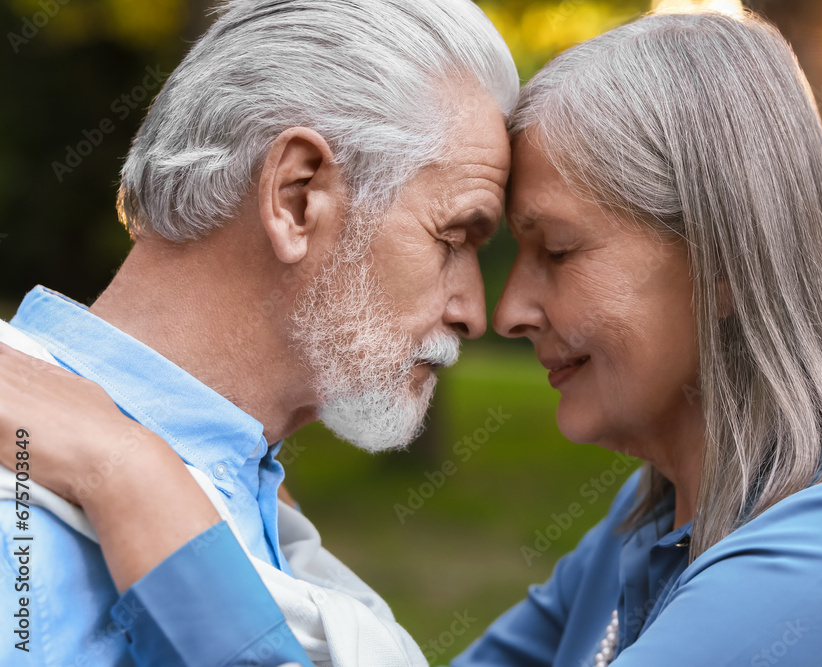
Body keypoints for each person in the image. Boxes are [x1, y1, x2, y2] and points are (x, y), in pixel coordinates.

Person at [2, 6, 822, 666]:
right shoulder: (641, 541)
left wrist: (129, 470)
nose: (497, 312)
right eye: (460, 238)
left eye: (552, 250)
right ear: (300, 196)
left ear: (723, 264)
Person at [0, 0, 518, 665]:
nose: (475, 311)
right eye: (453, 236)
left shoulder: (247, 493)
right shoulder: (24, 534)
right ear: (297, 197)